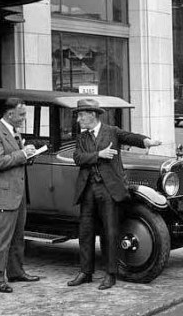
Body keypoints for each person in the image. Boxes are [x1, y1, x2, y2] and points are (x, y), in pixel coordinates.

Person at [68, 98, 162, 290]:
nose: (78, 120)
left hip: (109, 189)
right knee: (85, 232)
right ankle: (86, 272)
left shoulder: (111, 131)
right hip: (88, 190)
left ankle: (111, 274)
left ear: (92, 115)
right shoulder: (82, 137)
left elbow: (130, 137)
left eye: (81, 115)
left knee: (110, 232)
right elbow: (78, 158)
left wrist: (146, 141)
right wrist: (99, 155)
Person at [0, 98, 39, 293]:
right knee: (2, 238)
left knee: (18, 236)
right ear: (9, 114)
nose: (24, 118)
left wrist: (28, 156)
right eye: (22, 114)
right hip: (5, 194)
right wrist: (23, 154)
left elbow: (14, 160)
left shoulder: (13, 132)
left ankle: (16, 272)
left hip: (17, 193)